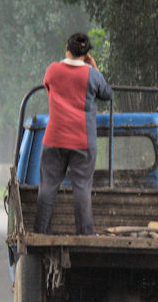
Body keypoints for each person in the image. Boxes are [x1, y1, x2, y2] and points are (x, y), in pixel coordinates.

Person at [33, 32, 113, 235]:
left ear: (67, 49)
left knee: (48, 187)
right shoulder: (92, 75)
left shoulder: (52, 70)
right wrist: (93, 68)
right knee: (82, 189)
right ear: (87, 54)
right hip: (83, 141)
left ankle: (41, 232)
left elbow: (49, 89)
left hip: (54, 138)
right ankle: (85, 234)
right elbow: (107, 94)